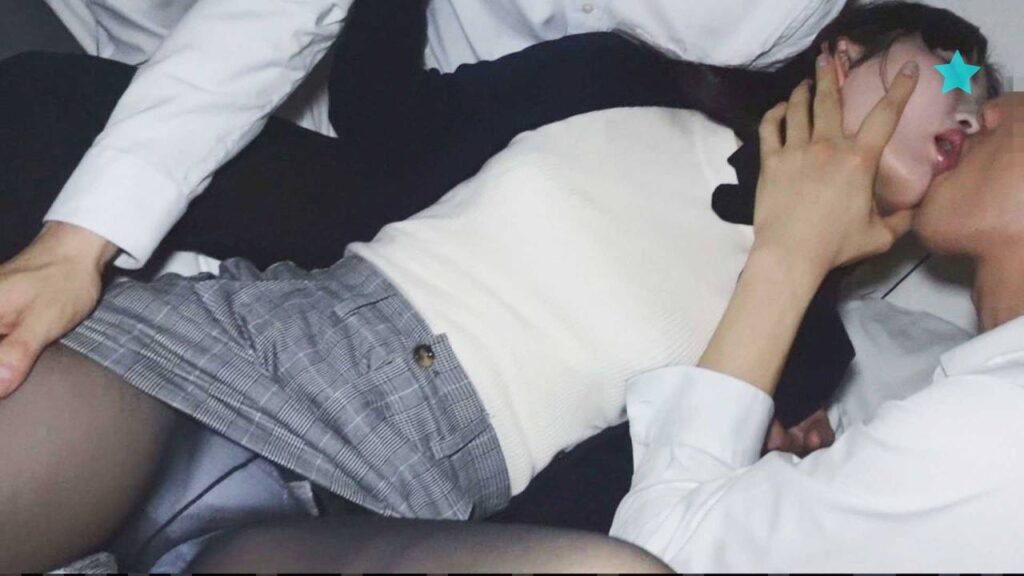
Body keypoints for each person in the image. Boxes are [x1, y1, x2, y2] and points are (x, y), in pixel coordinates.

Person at [0, 1, 1003, 571]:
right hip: (269, 351)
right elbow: (385, 123)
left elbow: (595, 511)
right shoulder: (627, 80)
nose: (968, 108)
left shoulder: (812, 353)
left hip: (377, 513)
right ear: (841, 55)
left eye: (984, 110)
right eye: (952, 71)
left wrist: (760, 441)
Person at [0, 0, 846, 400]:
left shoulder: (772, 33)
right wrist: (80, 242)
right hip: (377, 109)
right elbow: (279, 22)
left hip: (468, 208)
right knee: (51, 116)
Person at [609, 82, 1024, 571]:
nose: (987, 111)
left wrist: (791, 252)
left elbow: (649, 558)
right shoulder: (940, 376)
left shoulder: (998, 427)